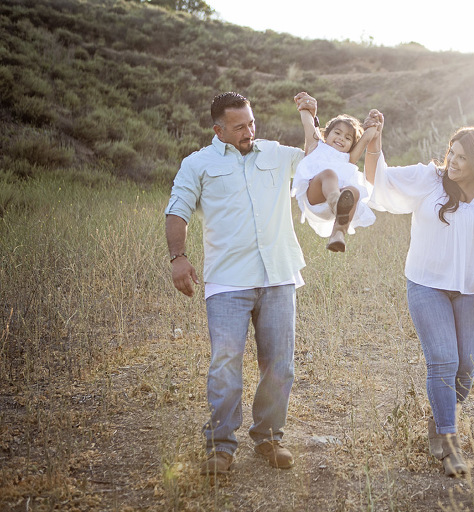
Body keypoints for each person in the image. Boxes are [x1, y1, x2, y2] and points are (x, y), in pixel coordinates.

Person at [165, 91, 319, 475]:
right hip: (228, 281)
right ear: (218, 130)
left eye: (251, 123)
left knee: (280, 365)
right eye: (239, 127)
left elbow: (317, 160)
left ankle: (269, 437)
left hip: (278, 275)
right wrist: (178, 257)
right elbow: (178, 210)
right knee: (225, 366)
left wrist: (309, 117)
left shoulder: (276, 154)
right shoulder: (198, 164)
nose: (249, 131)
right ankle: (220, 446)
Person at [363, 111, 474, 477]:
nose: (452, 161)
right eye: (451, 152)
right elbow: (380, 181)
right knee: (442, 360)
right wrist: (375, 142)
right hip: (426, 284)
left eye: (462, 157)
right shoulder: (430, 180)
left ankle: (439, 421)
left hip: (470, 289)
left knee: (465, 366)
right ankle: (451, 445)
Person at [291, 93, 377, 252]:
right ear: (325, 135)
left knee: (354, 191)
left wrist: (373, 124)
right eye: (337, 133)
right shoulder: (316, 146)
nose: (341, 138)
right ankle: (337, 203)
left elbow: (365, 139)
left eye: (348, 138)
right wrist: (304, 105)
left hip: (337, 211)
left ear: (351, 145)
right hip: (316, 198)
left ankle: (338, 234)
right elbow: (307, 123)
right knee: (329, 174)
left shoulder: (348, 158)